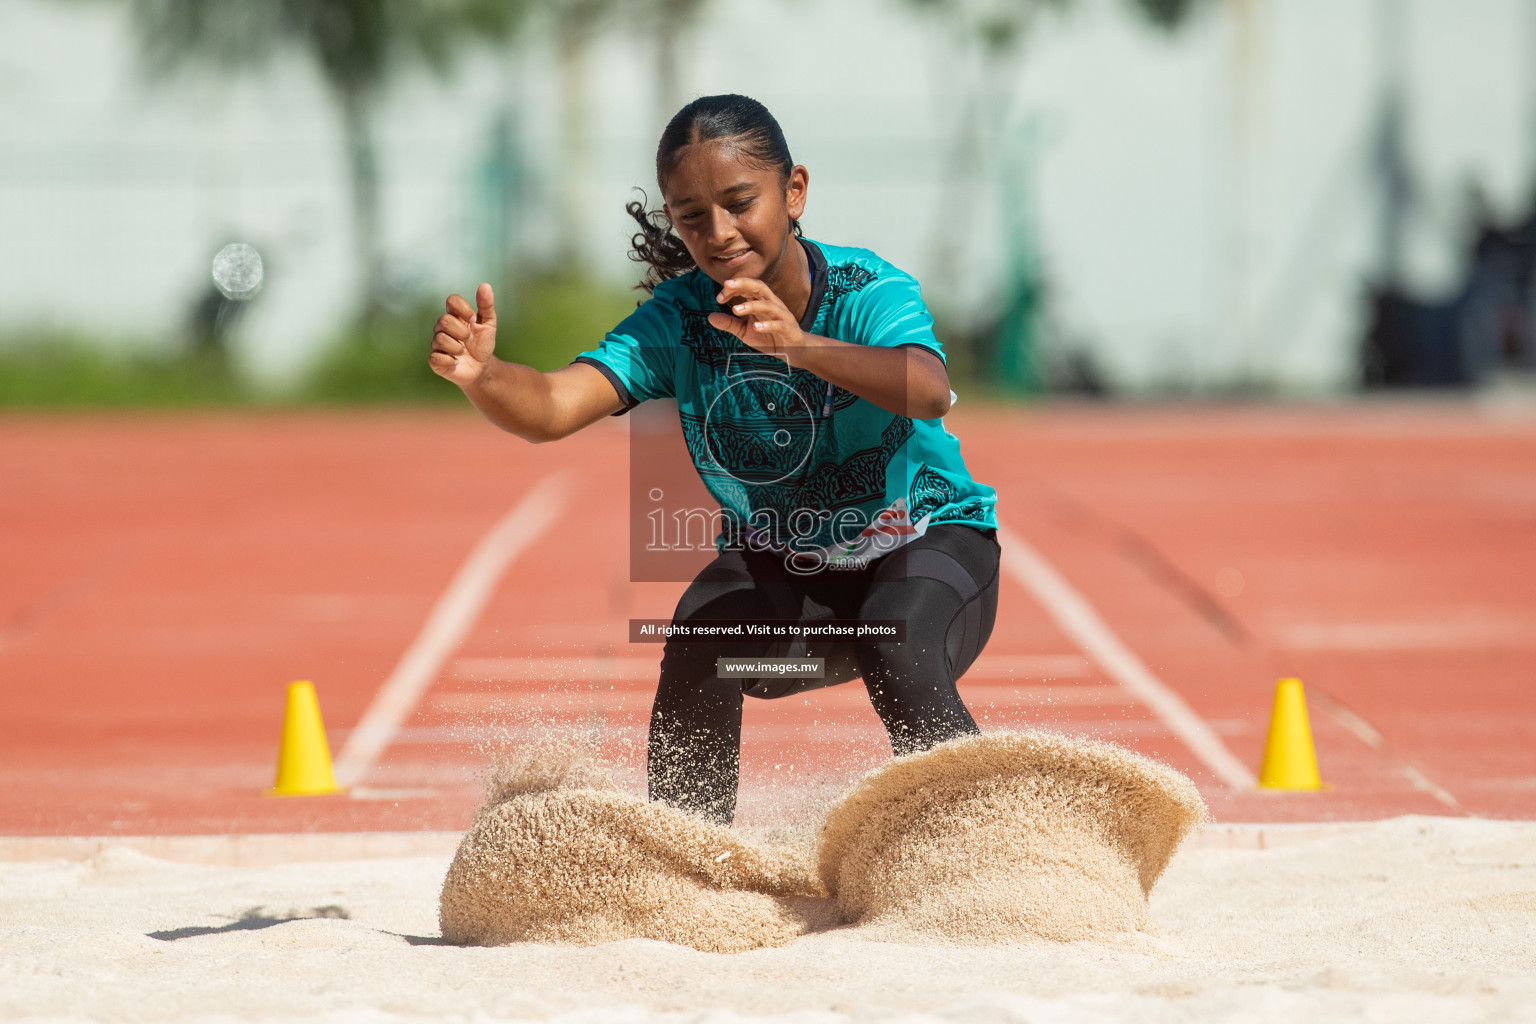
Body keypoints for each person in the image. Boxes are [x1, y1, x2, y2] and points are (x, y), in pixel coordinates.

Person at [430, 94, 1000, 824]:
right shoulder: (675, 321)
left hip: (931, 552)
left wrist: (798, 346)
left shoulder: (866, 289)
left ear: (794, 191)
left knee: (896, 636)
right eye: (691, 215)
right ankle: (689, 860)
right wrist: (483, 376)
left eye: (739, 203)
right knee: (703, 637)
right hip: (801, 594)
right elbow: (550, 406)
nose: (719, 233)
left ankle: (988, 844)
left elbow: (930, 390)